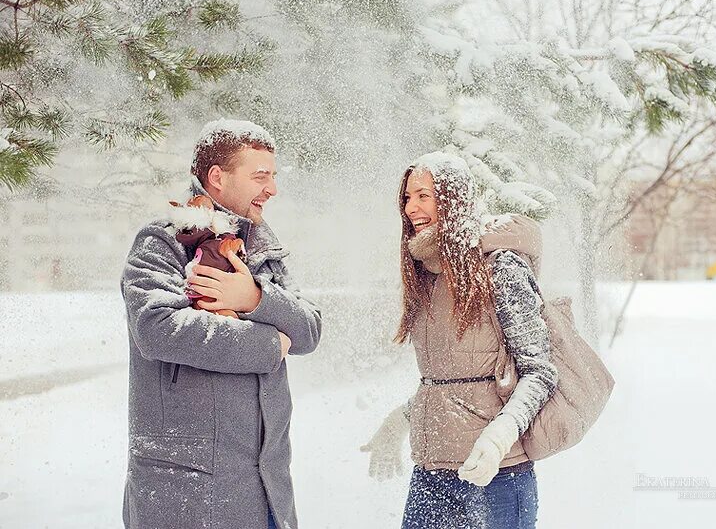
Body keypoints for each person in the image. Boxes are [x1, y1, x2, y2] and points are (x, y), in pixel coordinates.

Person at [120, 118, 322, 529]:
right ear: (217, 177)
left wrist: (254, 298)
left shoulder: (264, 248)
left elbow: (308, 330)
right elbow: (157, 328)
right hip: (185, 490)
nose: (272, 189)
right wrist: (267, 345)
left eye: (273, 176)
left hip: (265, 488)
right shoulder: (163, 240)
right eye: (260, 176)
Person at [361, 151, 558, 528]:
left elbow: (540, 373)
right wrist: (400, 421)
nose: (411, 208)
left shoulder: (499, 267)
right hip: (432, 471)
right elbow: (451, 380)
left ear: (452, 199)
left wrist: (500, 436)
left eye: (423, 195)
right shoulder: (426, 275)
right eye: (406, 197)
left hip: (497, 473)